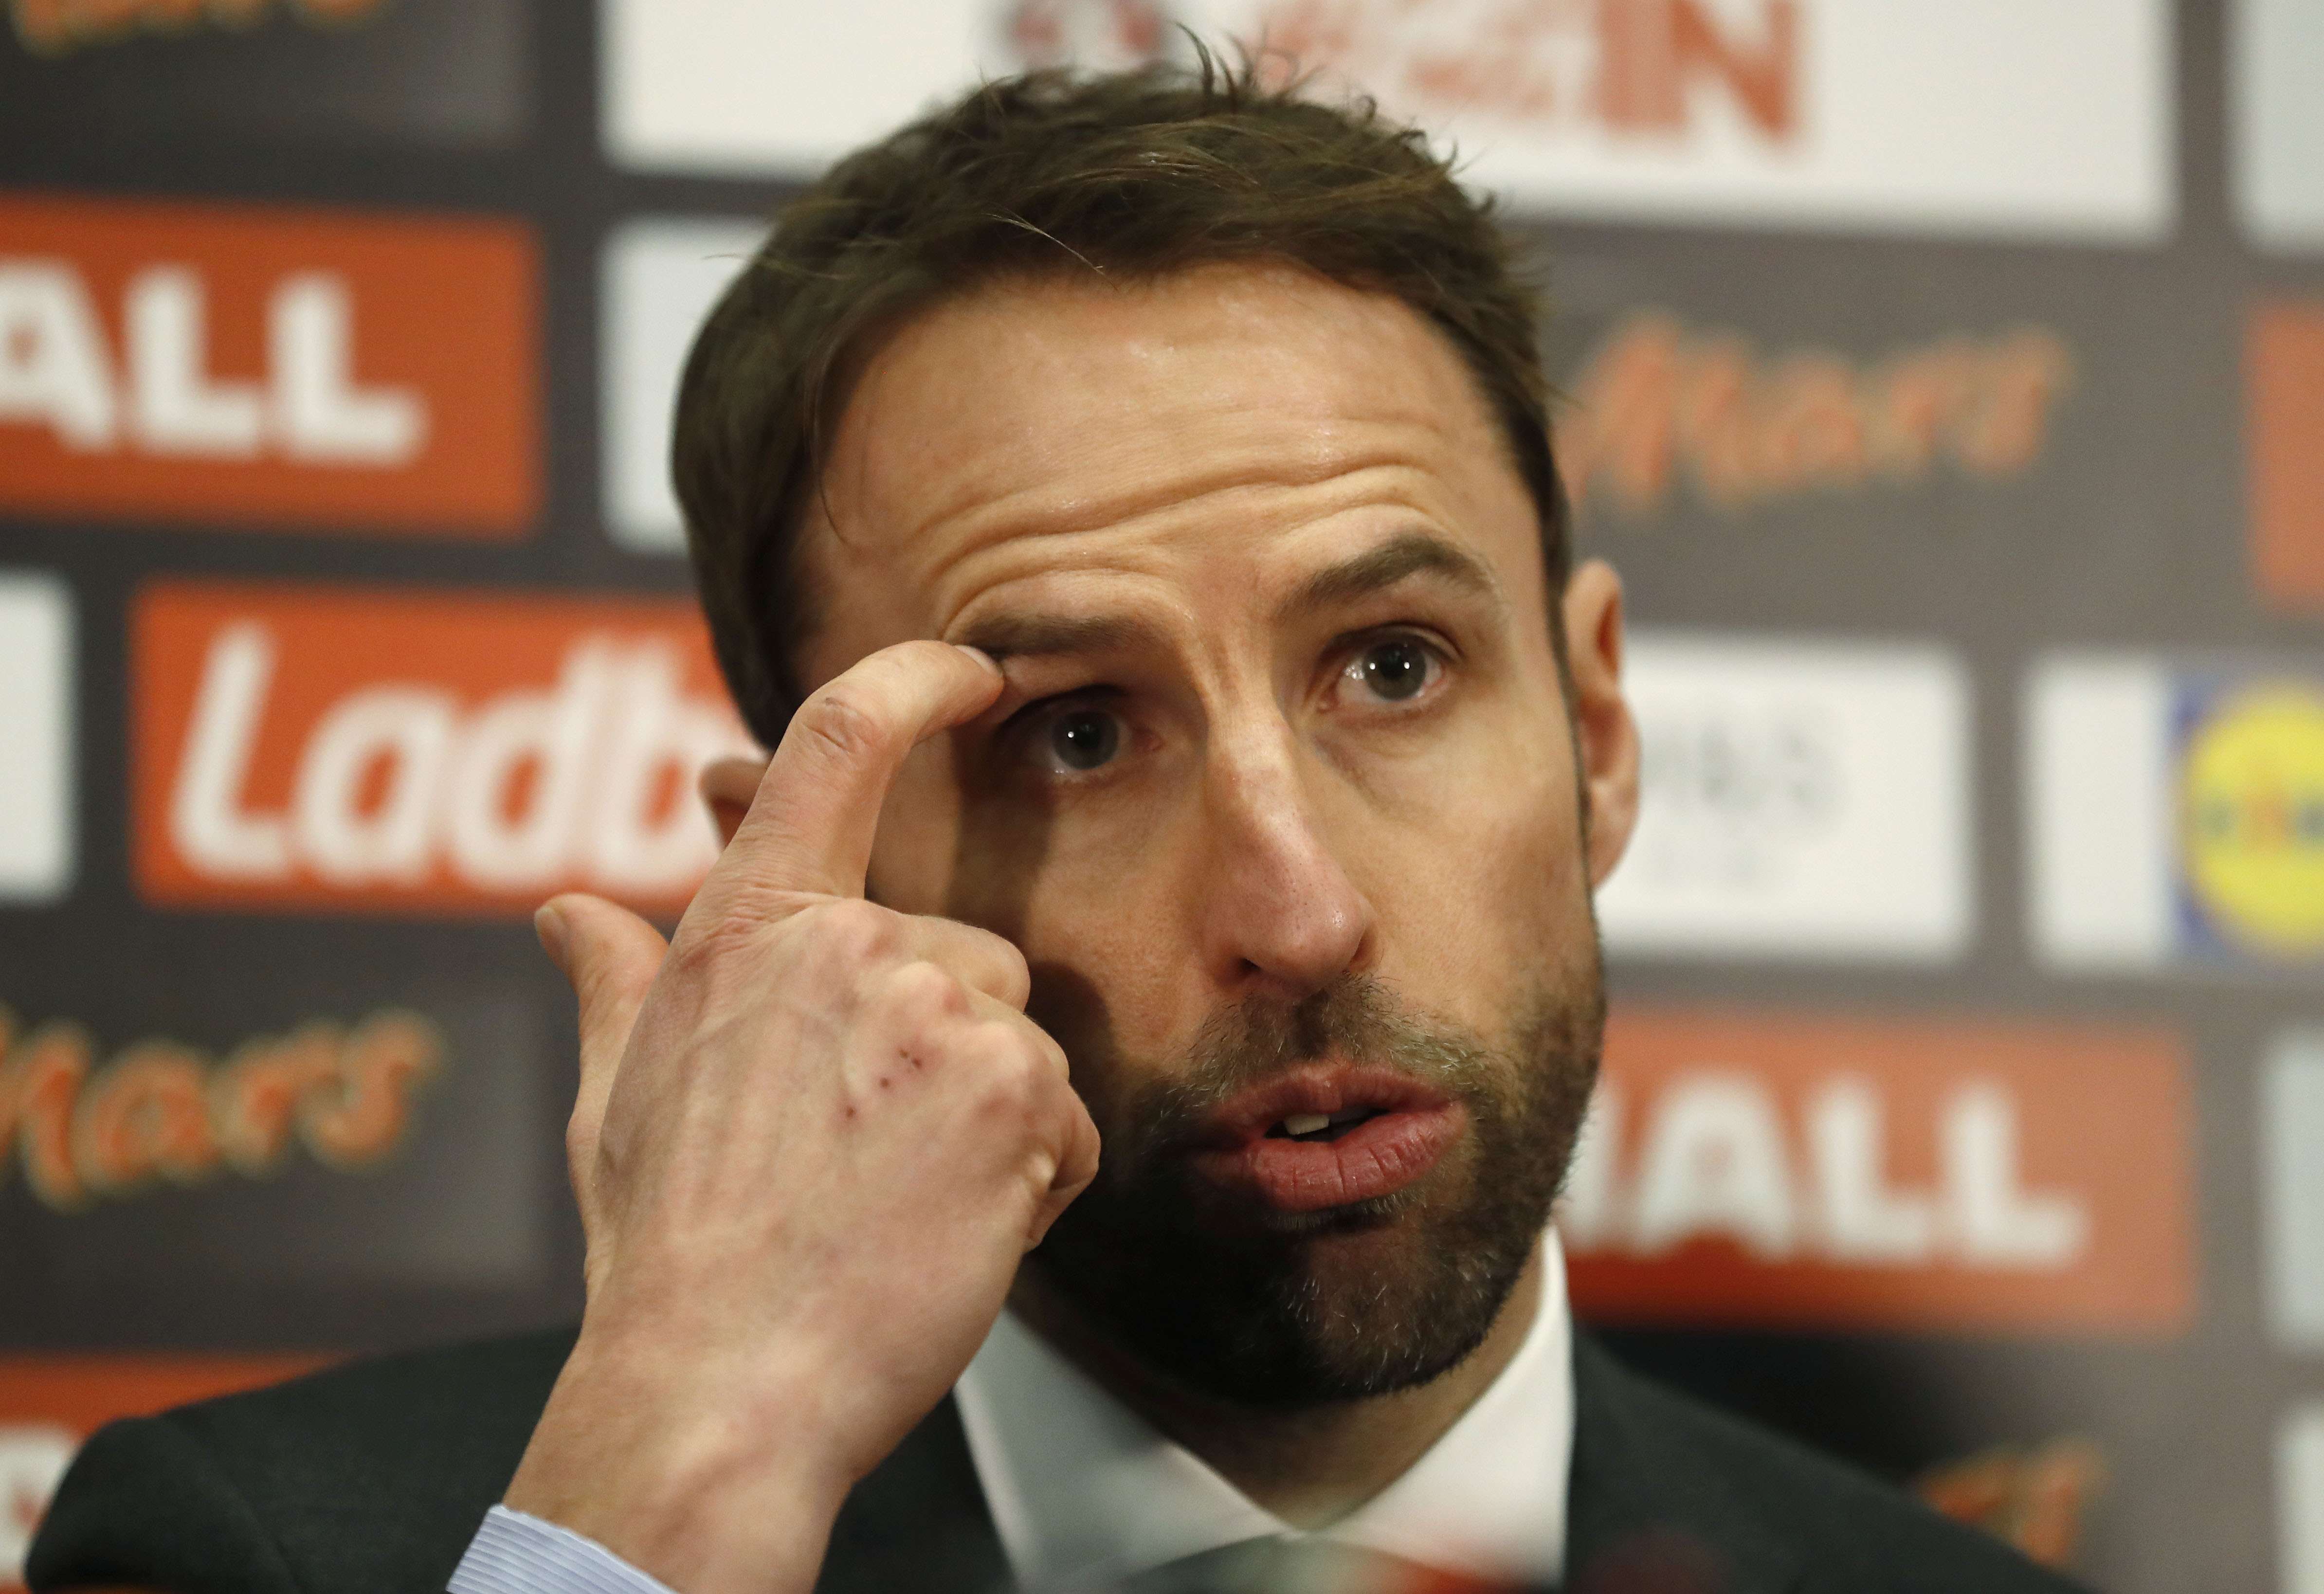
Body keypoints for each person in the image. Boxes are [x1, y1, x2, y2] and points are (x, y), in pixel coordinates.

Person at [30, 56, 2086, 1594]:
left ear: (1602, 730)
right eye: (1080, 734)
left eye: (1389, 668)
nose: (1298, 910)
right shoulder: (274, 1555)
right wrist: (671, 1498)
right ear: (814, 898)